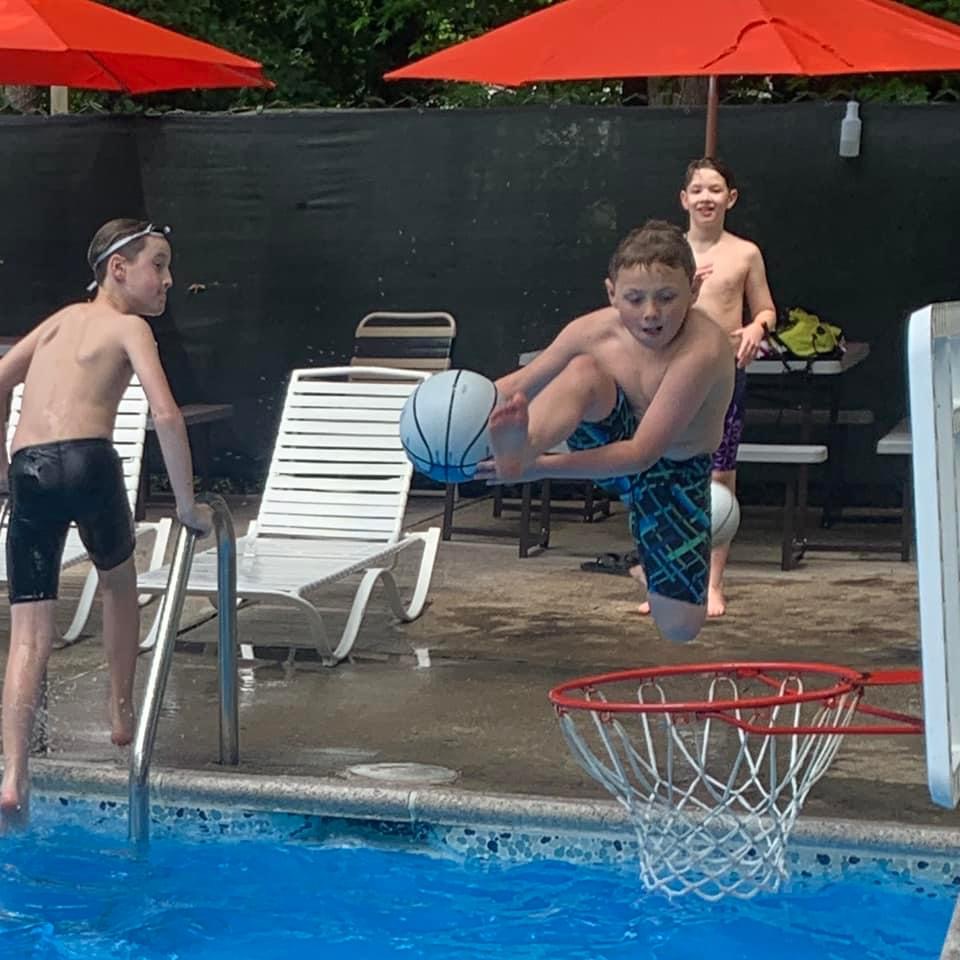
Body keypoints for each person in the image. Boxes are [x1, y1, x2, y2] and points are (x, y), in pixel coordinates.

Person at [0, 219, 211, 829]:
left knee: (27, 633)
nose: (169, 279)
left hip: (31, 468)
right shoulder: (129, 326)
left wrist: (4, 459)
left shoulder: (58, 323)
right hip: (89, 463)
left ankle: (14, 775)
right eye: (159, 265)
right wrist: (187, 506)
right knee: (119, 584)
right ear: (118, 269)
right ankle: (121, 715)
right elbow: (167, 416)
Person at [479, 220, 734, 645]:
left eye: (667, 297)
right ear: (612, 292)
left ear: (694, 290)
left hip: (672, 472)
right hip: (609, 439)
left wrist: (536, 469)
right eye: (634, 298)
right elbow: (518, 384)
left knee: (680, 628)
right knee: (582, 371)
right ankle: (520, 444)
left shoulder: (702, 350)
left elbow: (642, 454)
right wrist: (456, 405)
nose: (651, 313)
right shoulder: (593, 330)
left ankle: (645, 564)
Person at [668, 157, 777, 618]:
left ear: (730, 198)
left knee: (718, 478)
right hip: (671, 376)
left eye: (715, 189)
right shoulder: (668, 254)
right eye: (698, 190)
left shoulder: (745, 253)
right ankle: (671, 581)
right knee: (667, 478)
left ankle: (712, 584)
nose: (706, 198)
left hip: (724, 377)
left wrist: (757, 328)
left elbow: (768, 310)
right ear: (684, 199)